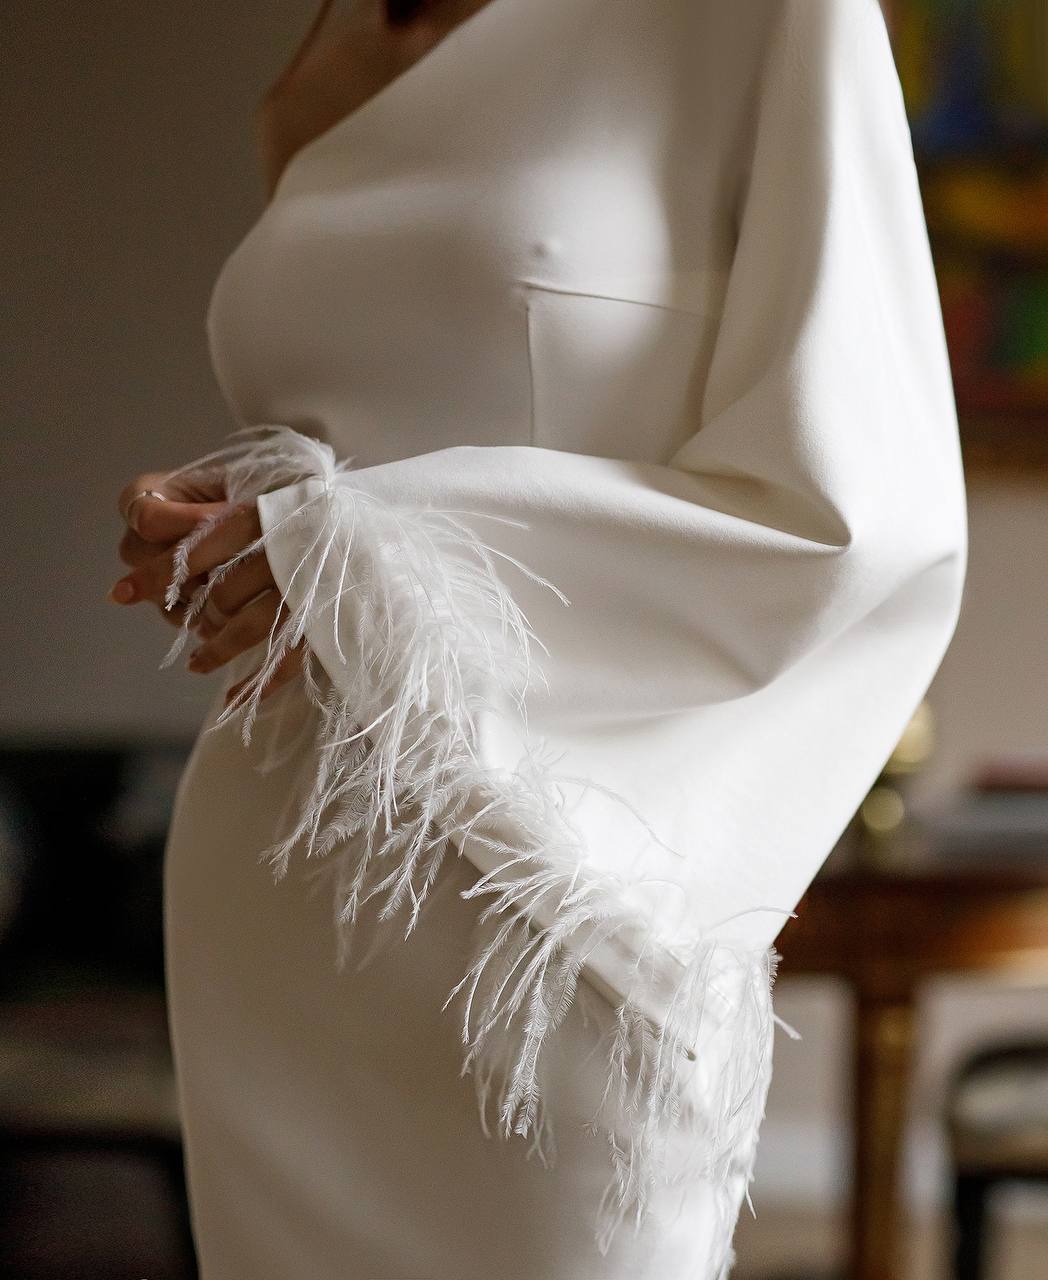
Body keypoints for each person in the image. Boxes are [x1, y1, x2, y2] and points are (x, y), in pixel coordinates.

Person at [109, 1, 968, 1276]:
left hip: (557, 923)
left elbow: (858, 516)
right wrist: (225, 524)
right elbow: (359, 452)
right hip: (280, 885)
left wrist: (336, 548)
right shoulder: (327, 56)